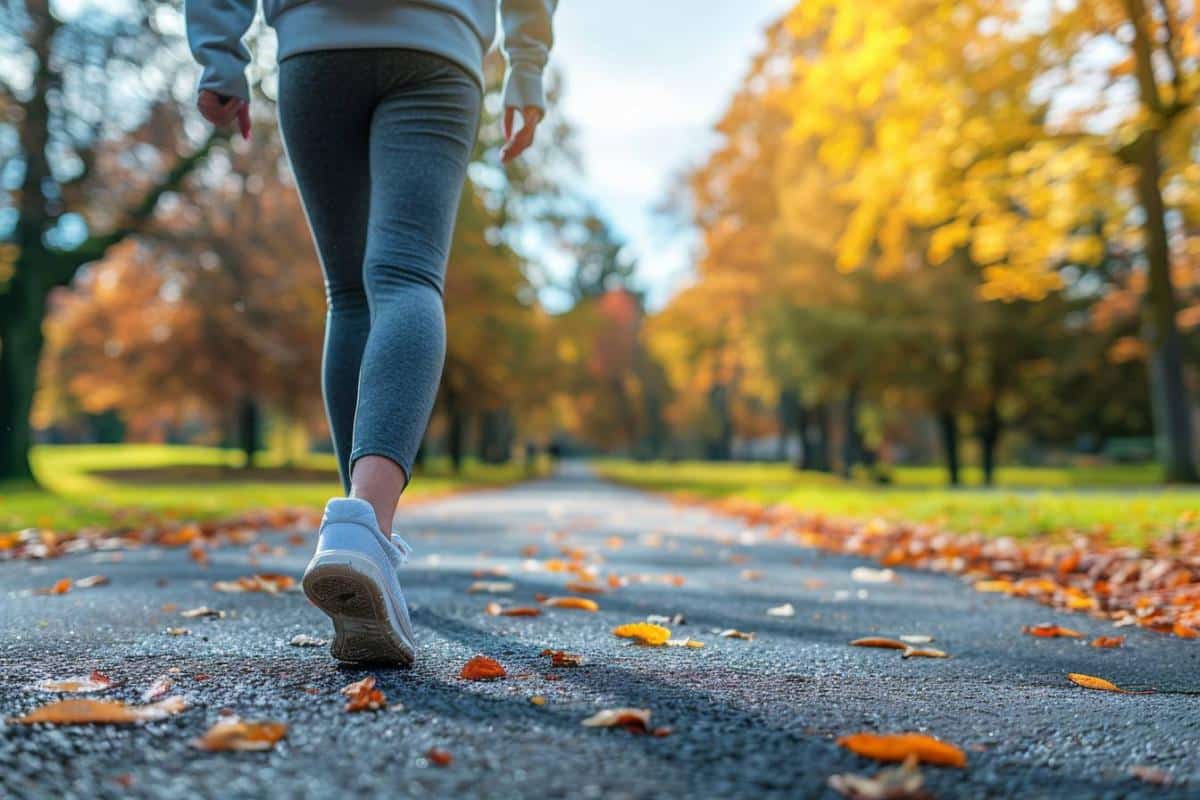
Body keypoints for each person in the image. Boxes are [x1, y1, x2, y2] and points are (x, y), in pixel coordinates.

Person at [185, 0, 558, 665]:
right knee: (408, 278)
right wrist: (527, 63)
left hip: (316, 44)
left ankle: (357, 535)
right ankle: (365, 528)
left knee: (351, 295)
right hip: (437, 43)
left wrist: (220, 53)